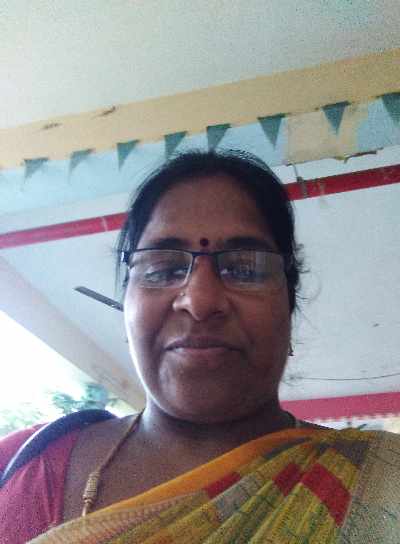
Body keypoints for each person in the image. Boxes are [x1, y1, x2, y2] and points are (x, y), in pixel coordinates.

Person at [1, 150, 399, 543]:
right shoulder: (23, 464)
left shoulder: (383, 484)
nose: (201, 300)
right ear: (127, 305)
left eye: (244, 269)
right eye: (164, 270)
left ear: (288, 306)